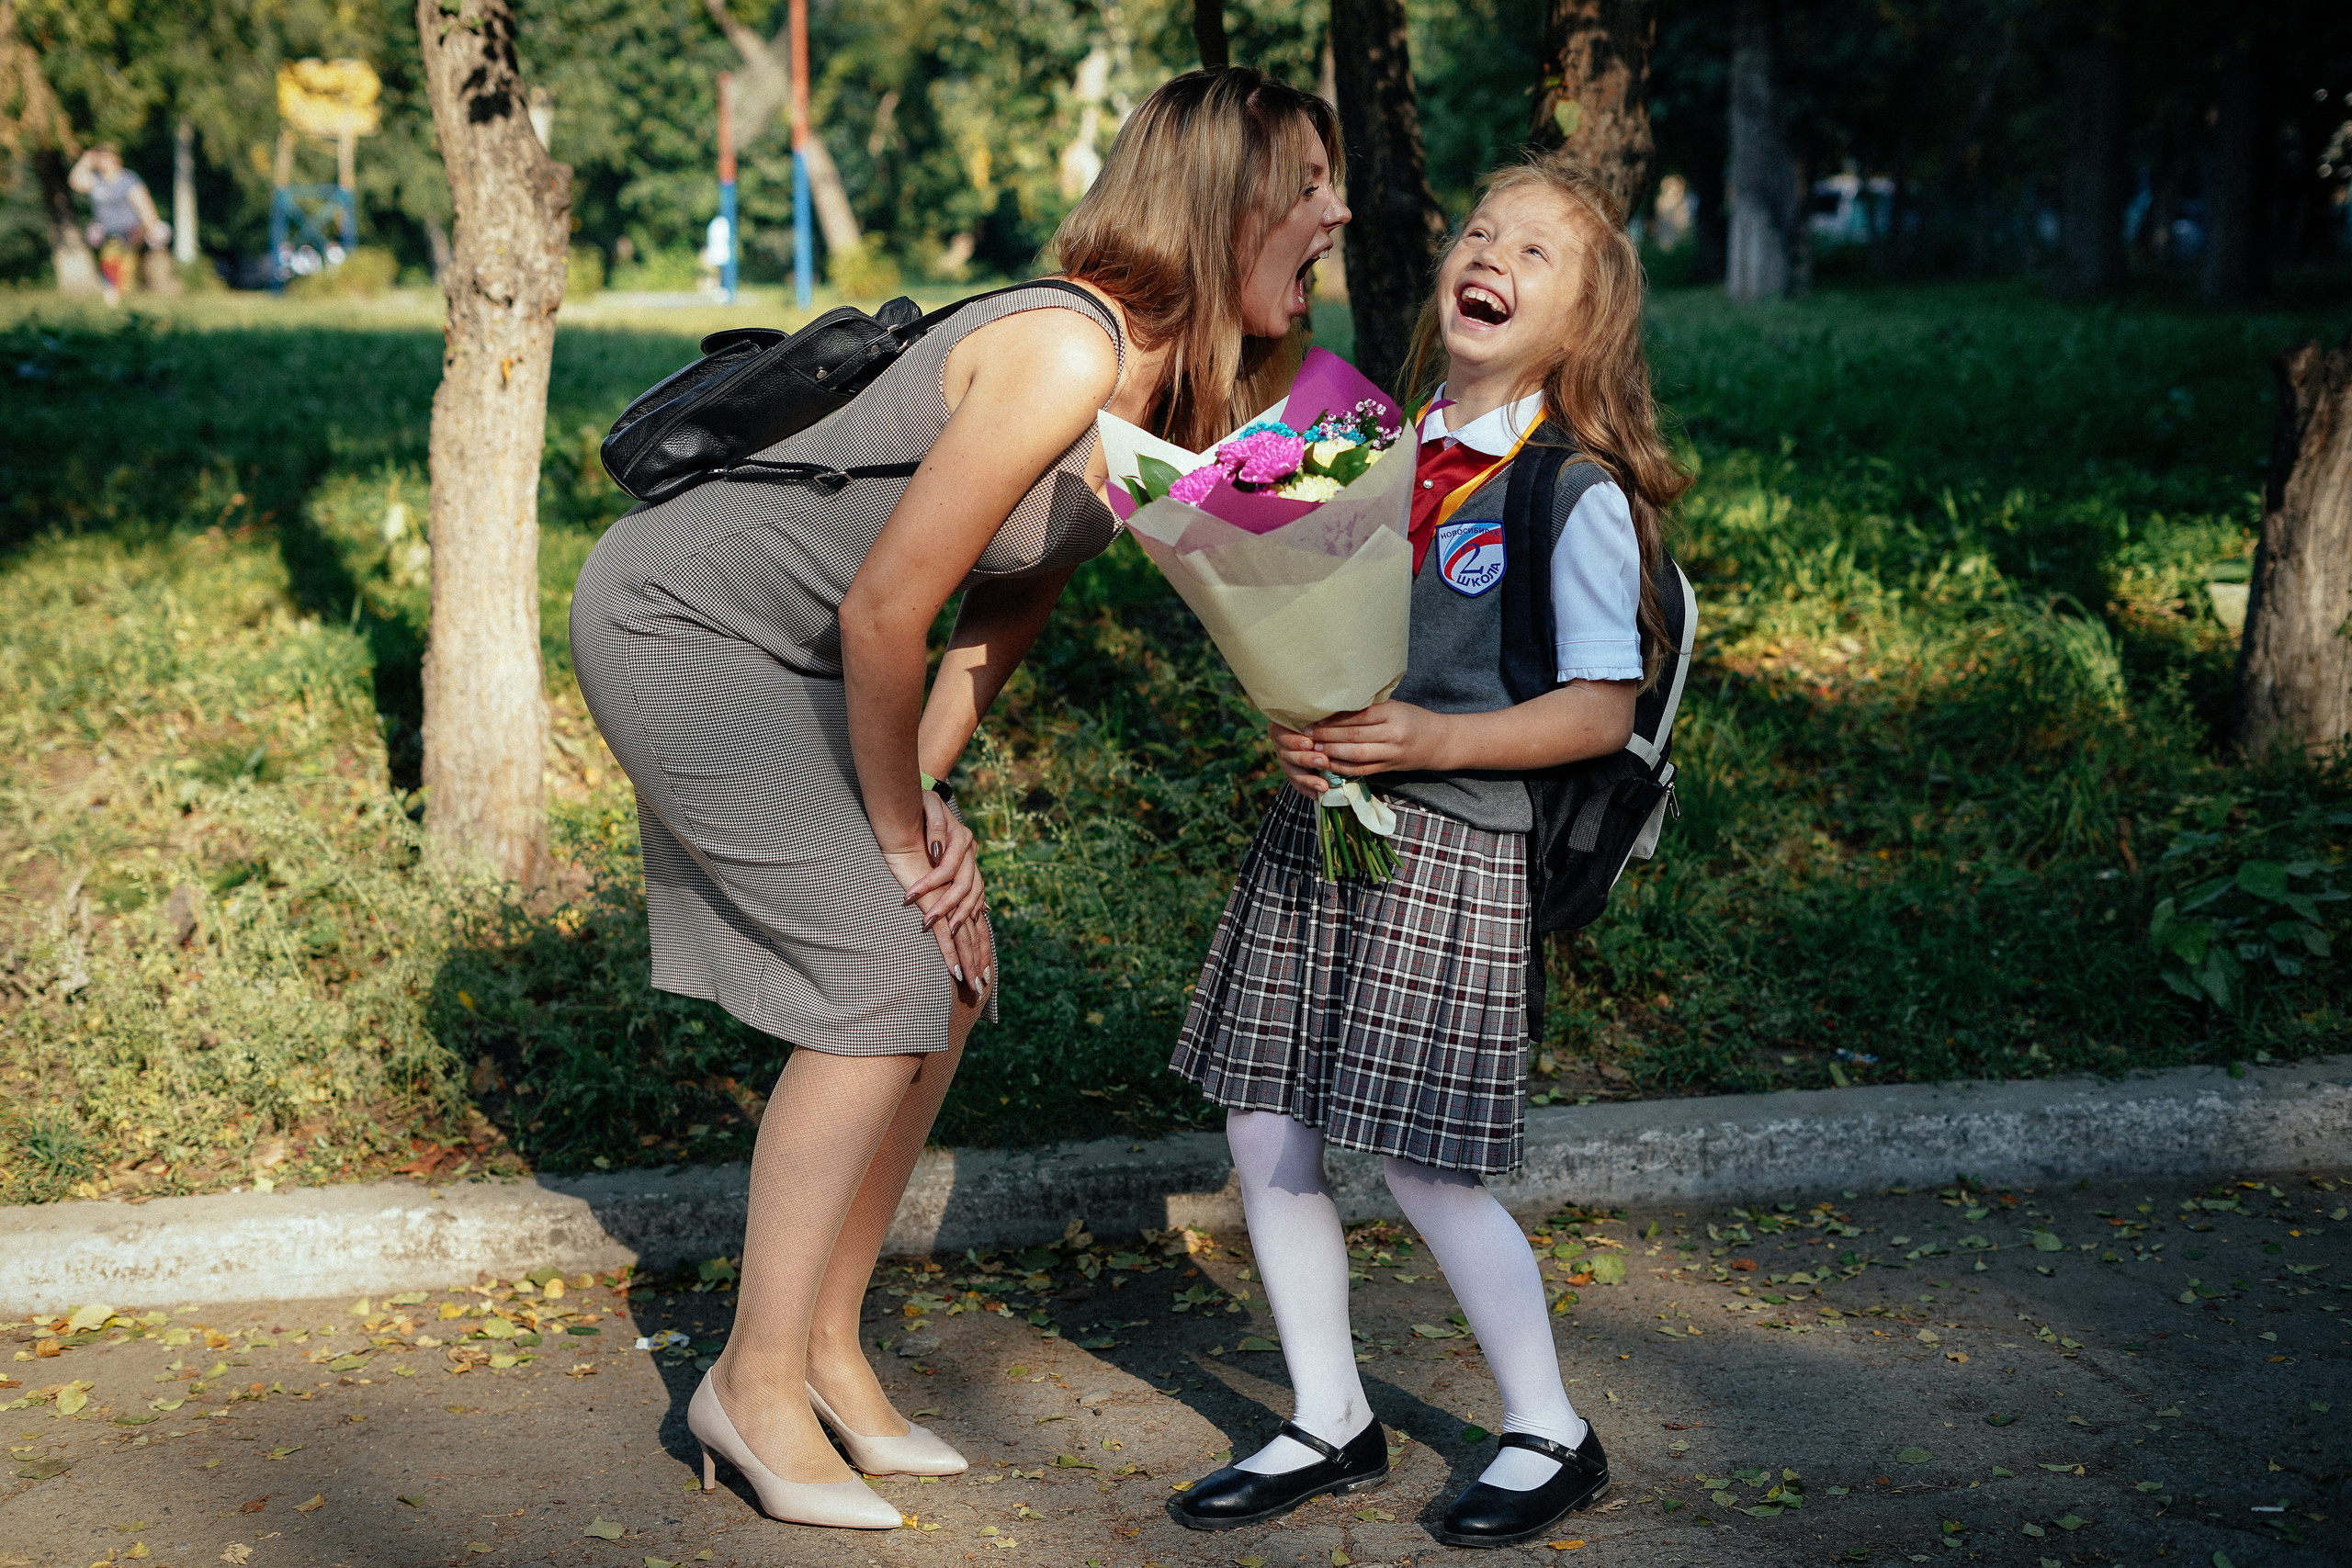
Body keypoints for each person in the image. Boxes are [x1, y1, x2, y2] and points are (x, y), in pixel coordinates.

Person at [569, 67, 1350, 1531]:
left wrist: (923, 810)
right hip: (684, 621)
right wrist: (895, 839)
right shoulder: (1063, 348)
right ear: (1226, 196)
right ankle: (747, 1382)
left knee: (946, 970)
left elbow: (996, 623)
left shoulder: (1162, 397)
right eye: (1309, 181)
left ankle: (826, 1354)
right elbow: (884, 612)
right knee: (876, 964)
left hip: (803, 650)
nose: (1337, 211)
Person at [1165, 152, 1691, 1549]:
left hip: (1456, 847)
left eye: (1537, 254)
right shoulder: (1363, 442)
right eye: (1479, 232)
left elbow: (1598, 707)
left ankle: (1548, 1428)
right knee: (1266, 1120)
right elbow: (1295, 628)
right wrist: (1300, 730)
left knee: (1422, 1161)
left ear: (1584, 324)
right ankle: (1330, 1413)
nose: (1492, 258)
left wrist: (1425, 742)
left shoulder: (1566, 490)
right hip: (1321, 827)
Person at [69, 147, 168, 304]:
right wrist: (86, 160)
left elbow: (143, 204)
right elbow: (75, 182)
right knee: (112, 261)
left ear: (116, 160)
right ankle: (118, 294)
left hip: (129, 230)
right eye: (100, 159)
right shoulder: (97, 181)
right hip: (107, 231)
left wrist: (152, 226)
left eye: (106, 158)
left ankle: (119, 294)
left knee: (119, 260)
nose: (103, 163)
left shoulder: (127, 180)